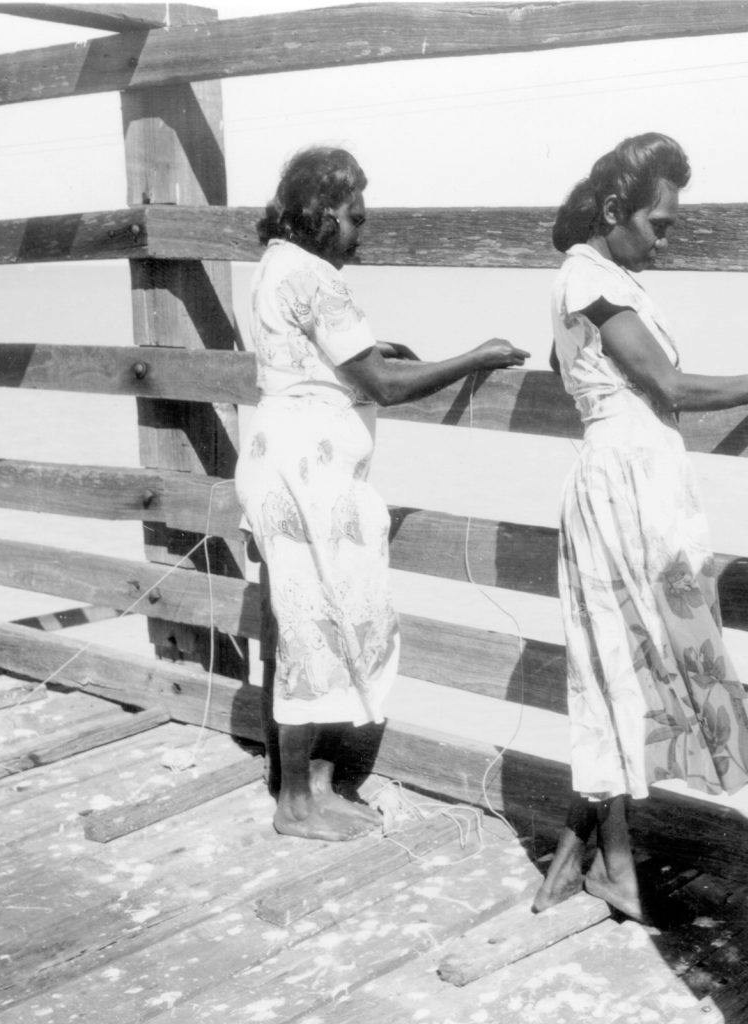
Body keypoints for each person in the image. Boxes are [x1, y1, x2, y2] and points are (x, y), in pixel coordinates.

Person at [533, 133, 748, 921]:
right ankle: (614, 858)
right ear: (612, 212)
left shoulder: (596, 281)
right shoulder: (585, 281)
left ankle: (601, 849)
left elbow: (595, 376)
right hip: (627, 485)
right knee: (630, 655)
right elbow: (667, 384)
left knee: (636, 654)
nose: (667, 237)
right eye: (660, 223)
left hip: (635, 479)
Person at [236, 146, 529, 841]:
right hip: (312, 475)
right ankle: (296, 805)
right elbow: (385, 386)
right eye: (354, 217)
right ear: (321, 211)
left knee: (308, 623)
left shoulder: (277, 263)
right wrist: (475, 357)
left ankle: (311, 785)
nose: (360, 233)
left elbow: (314, 354)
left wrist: (366, 350)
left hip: (277, 457)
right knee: (316, 631)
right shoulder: (318, 277)